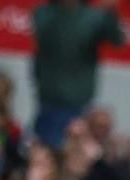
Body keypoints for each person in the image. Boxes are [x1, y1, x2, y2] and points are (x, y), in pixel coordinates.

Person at [31, 0, 124, 148]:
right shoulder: (44, 13)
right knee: (45, 153)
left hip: (80, 103)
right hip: (49, 101)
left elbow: (117, 40)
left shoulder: (93, 17)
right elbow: (49, 35)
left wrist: (110, 14)